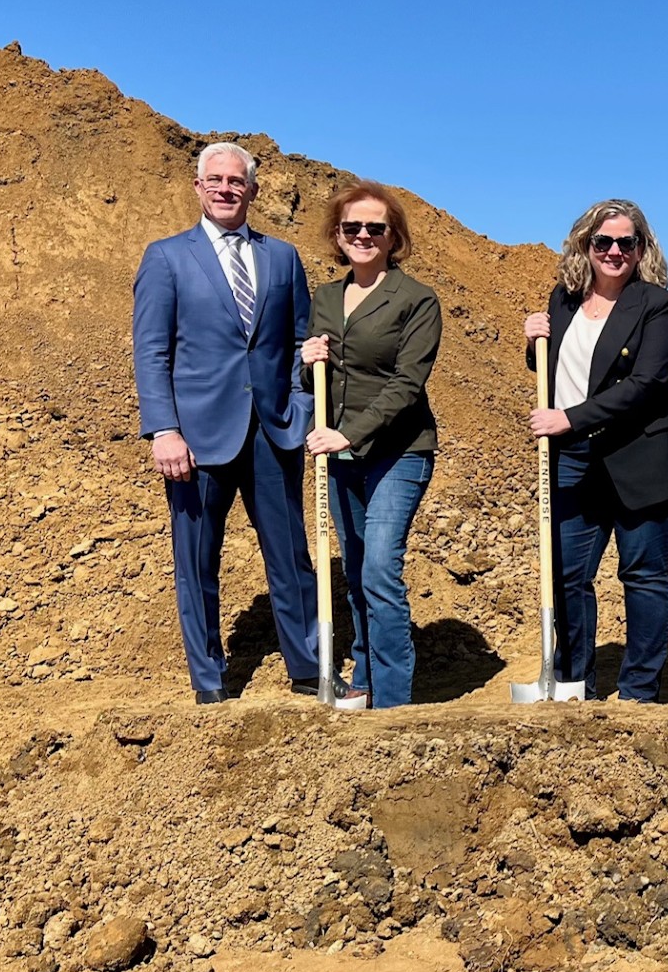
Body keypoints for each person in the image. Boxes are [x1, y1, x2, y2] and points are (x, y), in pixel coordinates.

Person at [132, 142, 320, 704]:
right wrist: (163, 429)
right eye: (214, 180)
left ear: (253, 191)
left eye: (236, 181)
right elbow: (152, 351)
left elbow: (297, 342)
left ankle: (308, 667)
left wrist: (300, 406)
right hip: (194, 438)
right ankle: (210, 683)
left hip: (272, 431)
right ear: (197, 186)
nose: (225, 189)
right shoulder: (165, 257)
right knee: (197, 562)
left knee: (289, 555)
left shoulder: (283, 257)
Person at [525, 199, 668, 701]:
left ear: (641, 248)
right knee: (567, 573)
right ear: (585, 244)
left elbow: (645, 384)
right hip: (575, 458)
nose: (614, 251)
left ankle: (639, 689)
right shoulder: (564, 299)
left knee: (642, 573)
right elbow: (559, 371)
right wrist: (533, 340)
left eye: (627, 242)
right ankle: (571, 681)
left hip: (642, 458)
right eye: (602, 242)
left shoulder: (658, 306)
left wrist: (569, 419)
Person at [301, 181, 441, 710]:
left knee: (380, 567)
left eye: (375, 228)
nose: (363, 235)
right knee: (357, 570)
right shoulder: (326, 297)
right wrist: (307, 356)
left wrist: (351, 431)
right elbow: (319, 377)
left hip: (399, 451)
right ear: (338, 235)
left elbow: (408, 383)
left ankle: (394, 701)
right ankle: (362, 674)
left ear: (392, 236)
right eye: (351, 227)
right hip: (338, 456)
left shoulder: (416, 299)